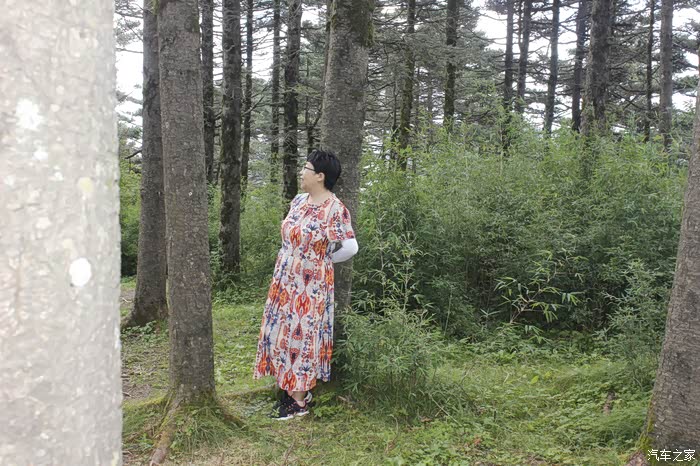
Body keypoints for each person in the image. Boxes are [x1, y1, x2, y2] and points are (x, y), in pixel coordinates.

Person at [253, 149, 359, 420]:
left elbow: (350, 247)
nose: (302, 173)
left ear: (320, 176)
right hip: (285, 278)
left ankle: (298, 401)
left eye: (306, 169)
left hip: (311, 285)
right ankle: (290, 387)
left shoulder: (335, 209)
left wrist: (322, 261)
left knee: (303, 337)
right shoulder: (299, 201)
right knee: (281, 332)